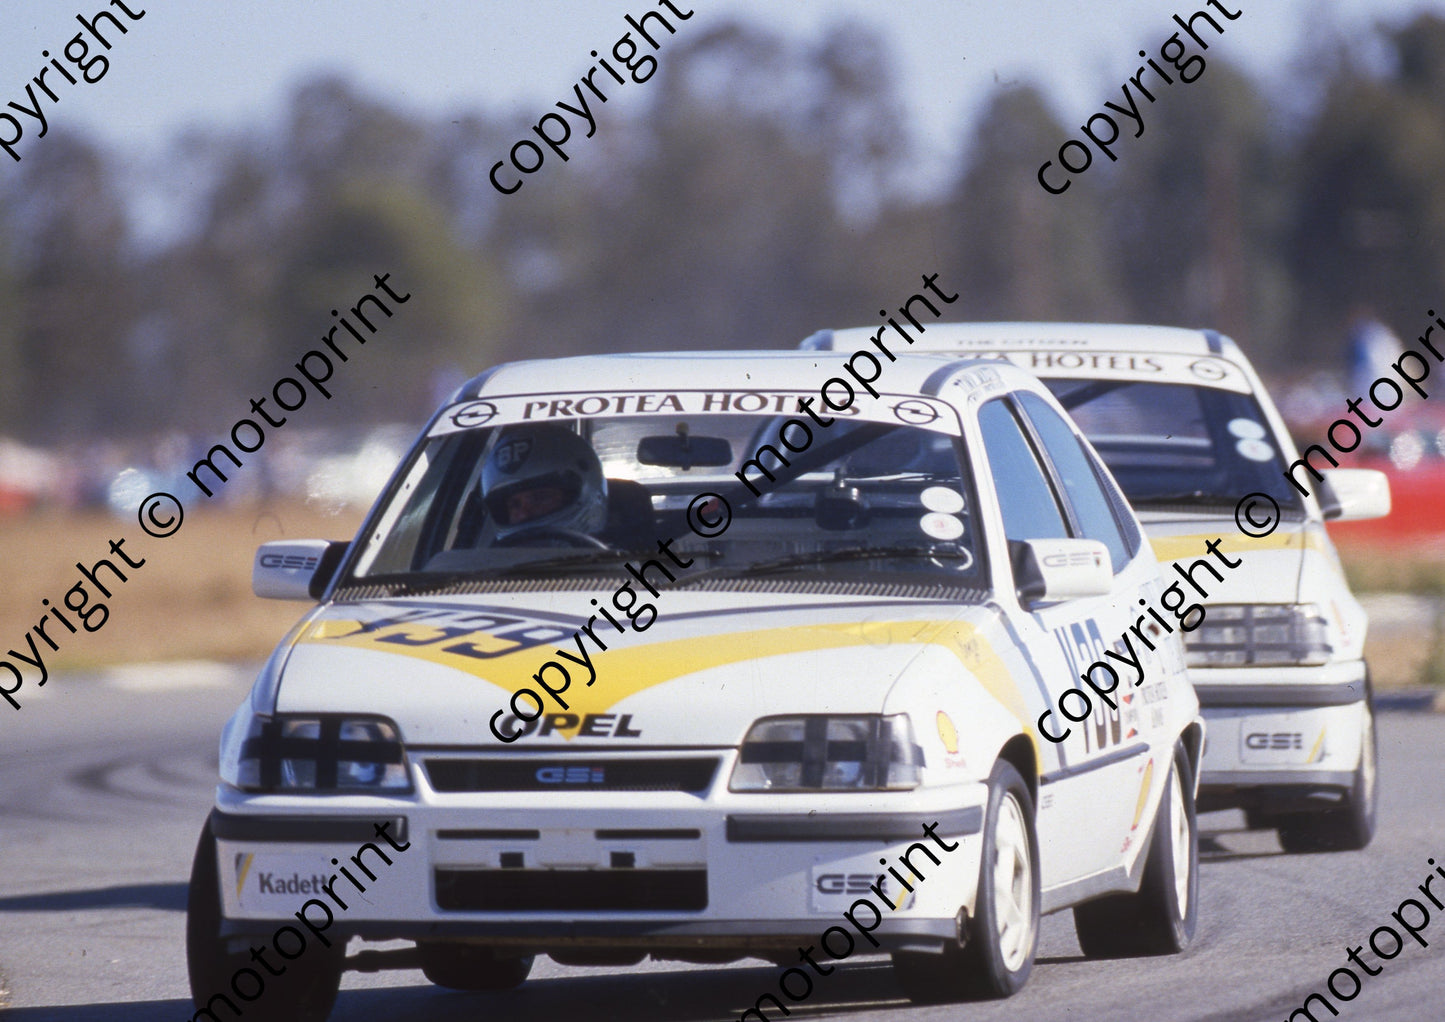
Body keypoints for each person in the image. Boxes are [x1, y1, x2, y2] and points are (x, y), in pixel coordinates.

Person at [480, 424, 609, 542]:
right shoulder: (490, 565)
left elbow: (628, 568)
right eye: (514, 505)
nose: (524, 514)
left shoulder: (624, 562)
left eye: (539, 498)